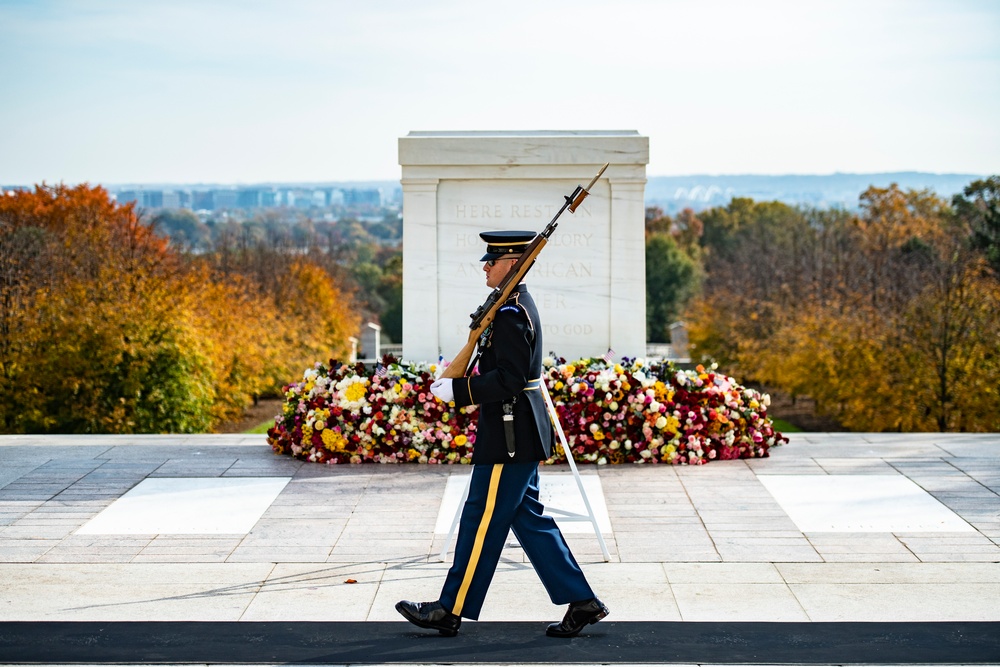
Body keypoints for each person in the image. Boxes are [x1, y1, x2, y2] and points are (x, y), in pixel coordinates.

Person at [395, 230, 609, 638]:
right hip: (518, 430)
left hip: (509, 434)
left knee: (480, 518)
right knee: (527, 518)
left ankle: (449, 609)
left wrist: (460, 390)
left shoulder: (512, 314)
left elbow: (510, 379)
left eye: (492, 261)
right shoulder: (508, 308)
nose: (485, 267)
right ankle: (581, 601)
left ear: (513, 264)